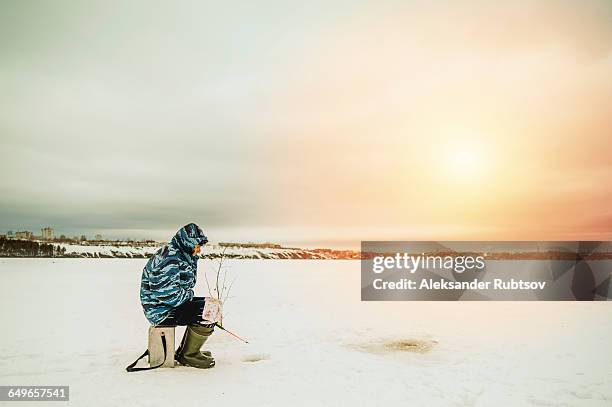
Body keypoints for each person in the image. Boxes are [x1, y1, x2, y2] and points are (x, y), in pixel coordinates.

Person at [140, 223, 222, 369]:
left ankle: (187, 351)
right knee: (210, 310)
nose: (199, 249)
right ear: (187, 242)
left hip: (168, 306)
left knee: (213, 305)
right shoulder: (169, 257)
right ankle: (188, 355)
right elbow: (166, 293)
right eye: (197, 245)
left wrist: (189, 297)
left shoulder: (180, 255)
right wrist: (189, 296)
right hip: (161, 311)